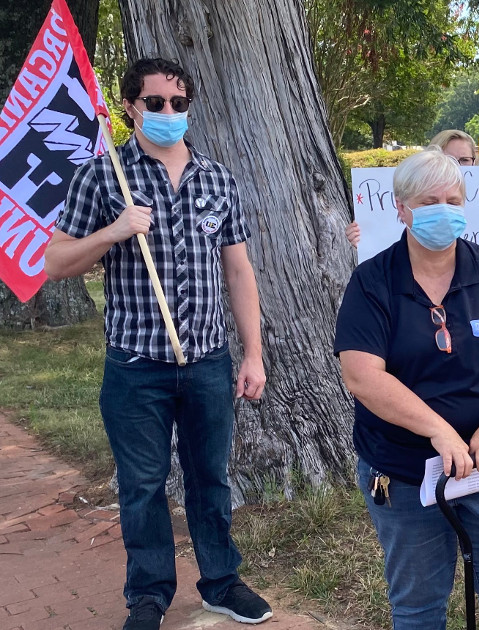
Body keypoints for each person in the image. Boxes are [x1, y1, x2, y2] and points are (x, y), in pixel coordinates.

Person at [43, 58, 271, 630]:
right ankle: (147, 596)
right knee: (142, 487)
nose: (169, 113)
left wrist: (253, 353)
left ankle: (220, 581)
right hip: (135, 366)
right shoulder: (103, 177)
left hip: (207, 363)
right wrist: (114, 230)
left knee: (210, 479)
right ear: (130, 107)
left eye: (178, 103)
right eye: (156, 103)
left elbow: (239, 273)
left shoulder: (218, 178)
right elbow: (55, 262)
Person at [335, 147, 479, 629]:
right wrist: (440, 432)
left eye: (454, 200)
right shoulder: (372, 281)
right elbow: (362, 375)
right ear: (402, 209)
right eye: (431, 201)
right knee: (418, 603)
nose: (445, 210)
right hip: (406, 469)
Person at [344, 129, 479, 247]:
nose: (455, 167)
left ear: (475, 160)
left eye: (464, 160)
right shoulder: (410, 192)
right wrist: (363, 240)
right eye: (447, 159)